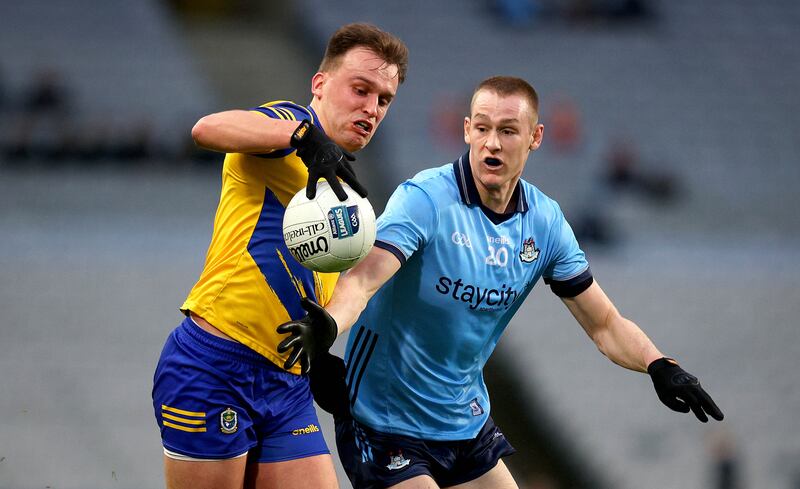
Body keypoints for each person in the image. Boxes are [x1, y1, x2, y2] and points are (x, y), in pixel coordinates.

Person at [276, 75, 724, 489]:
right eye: (483, 128)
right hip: (383, 420)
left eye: (508, 131)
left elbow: (604, 324)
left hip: (465, 423)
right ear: (467, 130)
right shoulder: (425, 199)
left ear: (535, 137)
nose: (493, 143)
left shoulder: (545, 223)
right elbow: (363, 281)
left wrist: (658, 364)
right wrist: (329, 325)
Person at [151, 23, 408, 489]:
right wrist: (302, 136)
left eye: (384, 99)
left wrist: (321, 343)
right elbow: (206, 129)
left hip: (285, 383)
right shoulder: (282, 126)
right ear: (320, 84)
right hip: (213, 365)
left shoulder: (345, 186)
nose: (371, 108)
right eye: (360, 89)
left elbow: (316, 278)